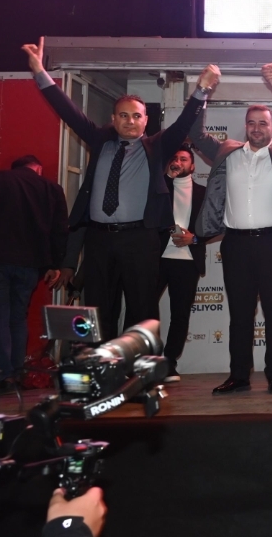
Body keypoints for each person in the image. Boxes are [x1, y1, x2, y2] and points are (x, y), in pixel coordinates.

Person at [21, 38, 214, 339]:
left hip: (140, 239)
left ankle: (137, 363)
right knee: (98, 309)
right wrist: (39, 71)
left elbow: (183, 124)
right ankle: (102, 362)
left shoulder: (157, 147)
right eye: (124, 115)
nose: (130, 121)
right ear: (113, 119)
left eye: (137, 116)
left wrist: (201, 90)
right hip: (98, 239)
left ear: (146, 120)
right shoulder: (99, 140)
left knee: (142, 309)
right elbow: (68, 111)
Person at [190, 64, 272, 396]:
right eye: (252, 123)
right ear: (245, 126)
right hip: (235, 245)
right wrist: (202, 91)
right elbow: (196, 134)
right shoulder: (226, 152)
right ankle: (239, 375)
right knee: (240, 314)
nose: (257, 128)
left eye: (263, 123)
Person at [0, 155, 68, 384]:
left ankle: (4, 374)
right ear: (38, 169)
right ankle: (16, 371)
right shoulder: (51, 188)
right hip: (29, 264)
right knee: (17, 317)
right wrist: (54, 264)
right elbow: (60, 229)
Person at [155, 144, 207, 383]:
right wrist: (167, 178)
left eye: (184, 159)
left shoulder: (203, 193)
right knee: (144, 310)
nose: (178, 162)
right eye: (174, 158)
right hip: (156, 258)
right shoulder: (160, 188)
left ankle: (169, 363)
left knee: (180, 314)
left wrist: (194, 239)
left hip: (187, 261)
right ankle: (146, 360)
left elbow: (214, 224)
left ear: (192, 166)